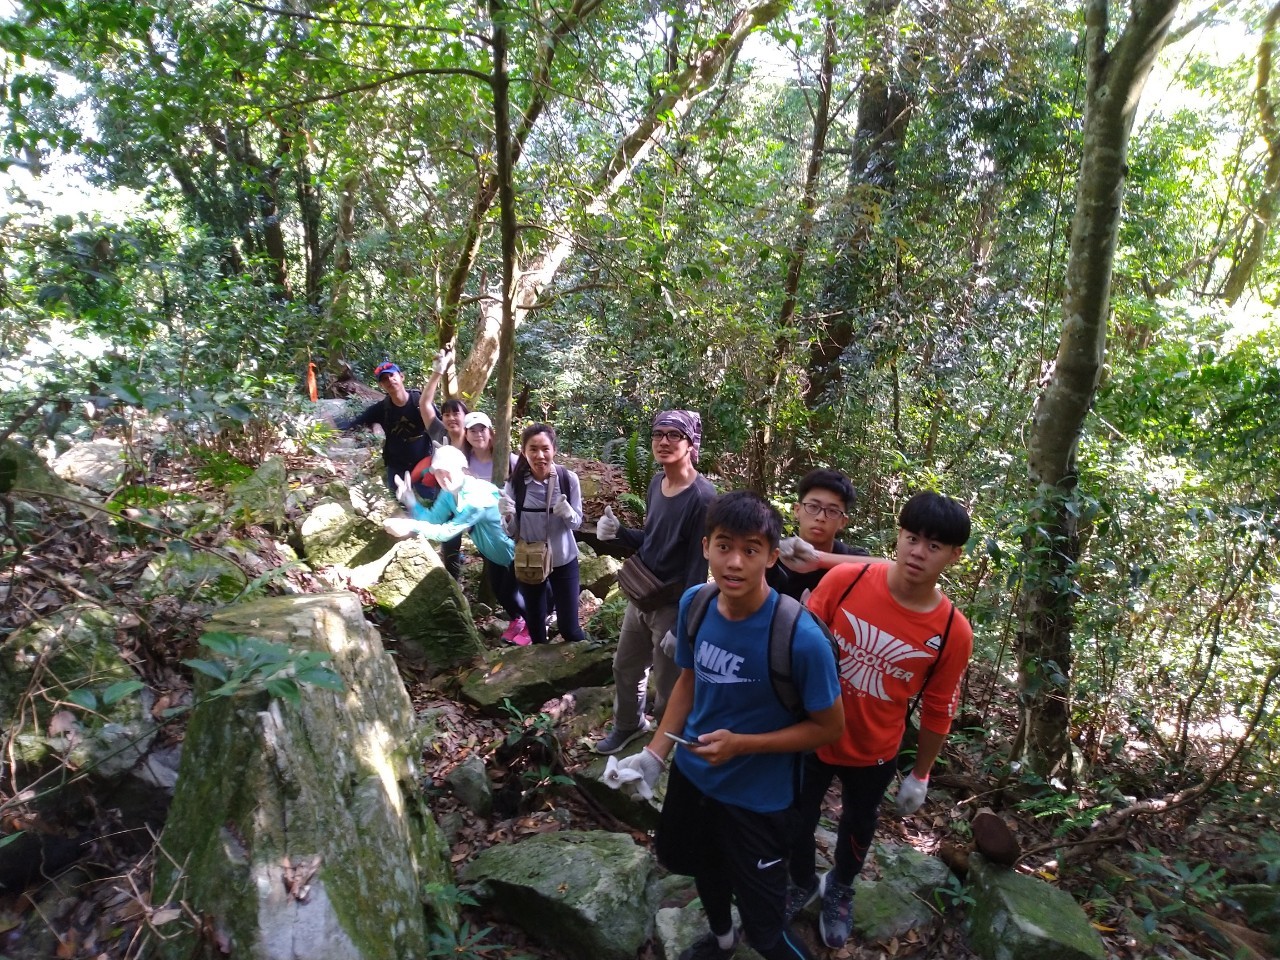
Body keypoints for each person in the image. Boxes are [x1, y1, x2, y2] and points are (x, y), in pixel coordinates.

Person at [603, 491, 843, 960]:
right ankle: (721, 939)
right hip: (695, 780)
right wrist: (654, 755)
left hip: (758, 801)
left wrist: (743, 745)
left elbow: (829, 728)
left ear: (773, 556)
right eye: (724, 545)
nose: (735, 562)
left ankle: (753, 939)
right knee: (702, 867)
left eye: (751, 550)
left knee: (767, 926)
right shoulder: (697, 604)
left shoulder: (800, 637)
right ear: (705, 547)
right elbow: (690, 683)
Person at [786, 492, 972, 950]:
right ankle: (801, 879)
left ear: (953, 556)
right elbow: (798, 646)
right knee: (795, 816)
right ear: (899, 535)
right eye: (912, 538)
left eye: (933, 546)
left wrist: (921, 773)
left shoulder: (952, 631)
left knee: (858, 824)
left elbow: (938, 705)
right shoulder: (847, 580)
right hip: (811, 730)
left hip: (874, 747)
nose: (917, 552)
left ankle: (841, 887)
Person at [593, 410, 716, 755]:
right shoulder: (656, 483)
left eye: (674, 435)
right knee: (625, 666)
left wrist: (684, 624)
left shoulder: (703, 498)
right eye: (658, 433)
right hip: (641, 596)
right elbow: (651, 540)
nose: (663, 441)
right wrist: (617, 534)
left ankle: (666, 742)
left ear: (690, 443)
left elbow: (698, 565)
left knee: (669, 683)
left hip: (672, 605)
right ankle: (628, 725)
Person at [383, 445, 529, 643]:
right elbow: (433, 519)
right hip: (493, 554)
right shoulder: (448, 493)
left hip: (514, 552)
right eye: (439, 473)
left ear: (461, 469)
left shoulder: (477, 497)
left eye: (447, 472)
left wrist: (410, 524)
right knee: (501, 592)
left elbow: (446, 532)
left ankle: (533, 625)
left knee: (514, 595)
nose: (444, 478)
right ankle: (518, 621)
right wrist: (411, 501)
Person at [499, 423, 586, 644]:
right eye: (533, 449)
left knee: (570, 629)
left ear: (554, 449)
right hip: (530, 562)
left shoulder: (568, 479)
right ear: (524, 451)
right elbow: (512, 533)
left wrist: (567, 513)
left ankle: (586, 664)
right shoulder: (516, 483)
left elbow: (576, 524)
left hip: (563, 559)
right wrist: (507, 517)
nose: (540, 455)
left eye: (545, 449)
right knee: (536, 628)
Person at [768, 469, 869, 603]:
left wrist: (818, 559)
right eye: (813, 507)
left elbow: (890, 569)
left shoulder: (853, 558)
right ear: (797, 510)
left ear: (843, 522)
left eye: (832, 511)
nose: (820, 517)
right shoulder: (774, 557)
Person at [336, 361, 434, 497]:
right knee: (398, 501)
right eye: (384, 379)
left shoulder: (420, 402)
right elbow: (357, 422)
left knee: (431, 498)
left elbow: (440, 427)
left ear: (401, 377)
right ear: (381, 385)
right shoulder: (381, 409)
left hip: (423, 461)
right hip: (397, 464)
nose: (390, 380)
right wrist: (334, 430)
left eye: (392, 375)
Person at [460, 411, 518, 483]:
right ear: (466, 435)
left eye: (482, 430)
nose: (478, 434)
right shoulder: (462, 462)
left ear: (490, 433)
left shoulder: (508, 460)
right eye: (473, 431)